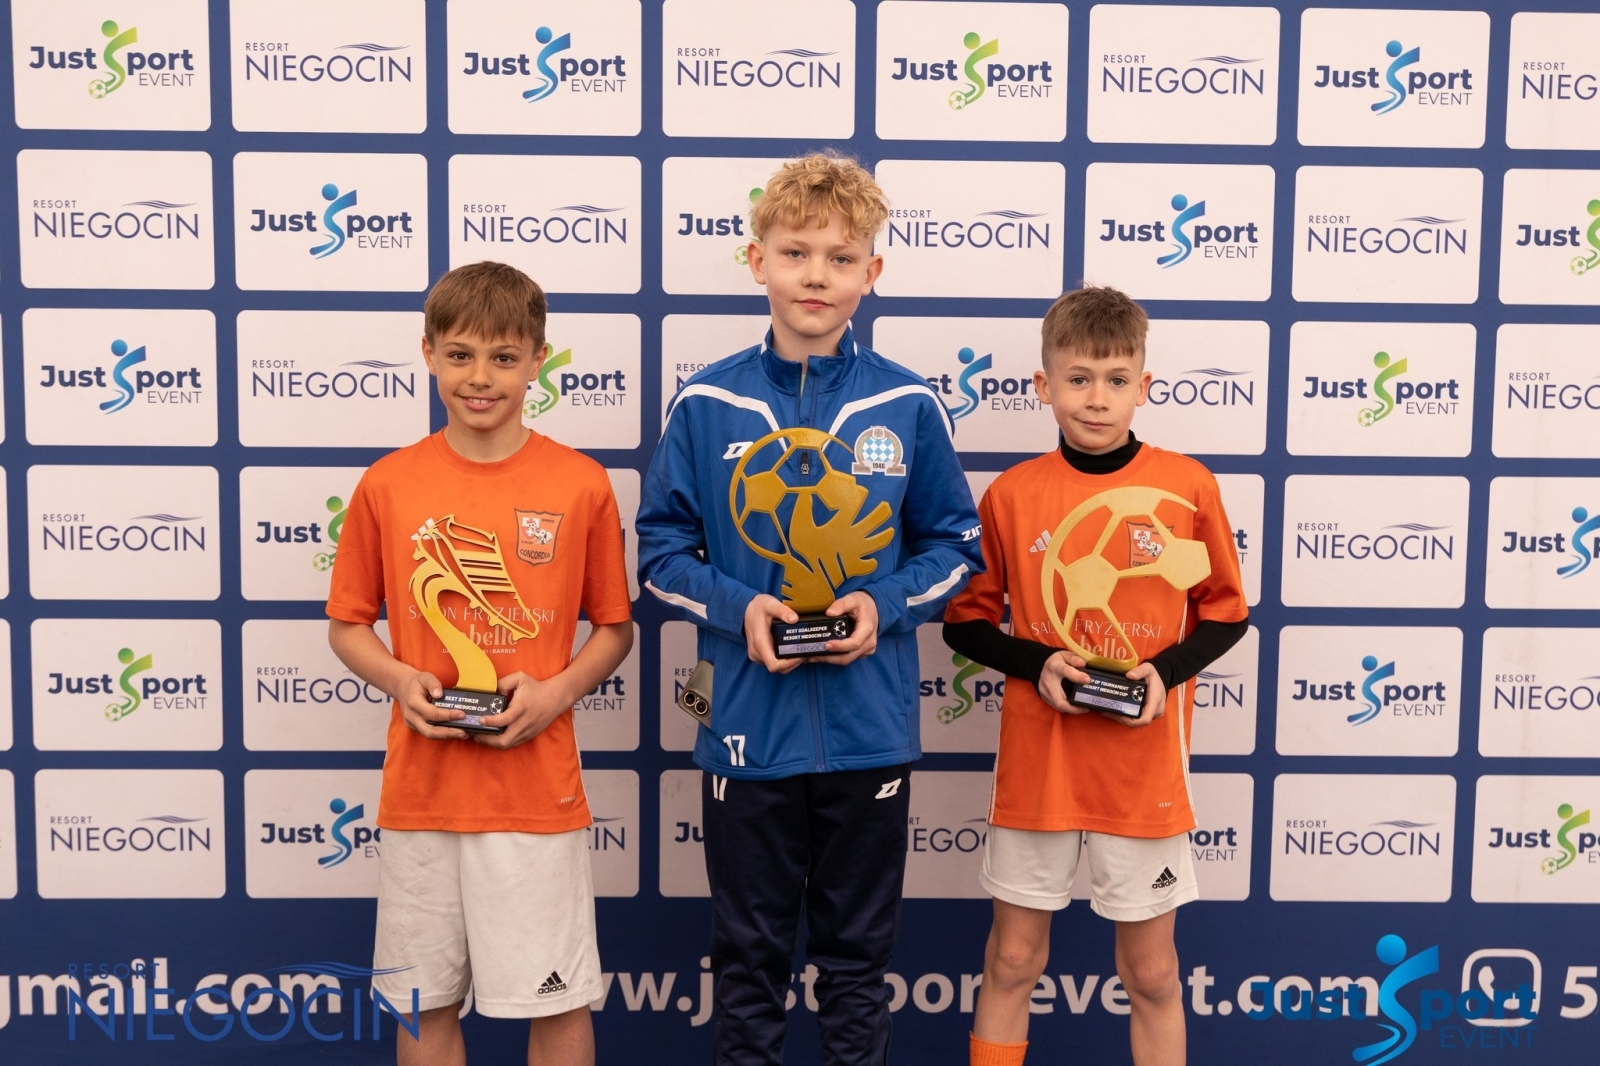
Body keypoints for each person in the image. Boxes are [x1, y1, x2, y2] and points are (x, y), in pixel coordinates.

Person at [637, 151, 984, 1066]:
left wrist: (881, 604)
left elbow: (955, 548)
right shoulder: (708, 400)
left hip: (869, 731)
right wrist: (741, 609)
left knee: (857, 965)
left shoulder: (906, 402)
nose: (816, 276)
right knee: (747, 962)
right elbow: (661, 553)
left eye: (840, 258)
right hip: (744, 728)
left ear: (873, 272)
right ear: (758, 261)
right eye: (796, 254)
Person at [327, 260, 634, 1066]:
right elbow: (348, 626)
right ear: (428, 352)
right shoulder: (388, 484)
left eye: (503, 357)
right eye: (460, 355)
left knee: (555, 1003)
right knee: (423, 1005)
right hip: (421, 795)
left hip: (535, 798)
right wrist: (401, 681)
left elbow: (614, 629)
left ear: (538, 361)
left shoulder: (580, 484)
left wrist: (555, 693)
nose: (480, 377)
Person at [945, 285, 1248, 1066]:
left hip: (1141, 767)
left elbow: (1226, 613)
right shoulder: (1012, 494)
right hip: (1040, 762)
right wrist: (1037, 662)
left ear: (1144, 386)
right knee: (1013, 959)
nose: (1096, 398)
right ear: (1042, 385)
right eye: (1078, 379)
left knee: (1151, 973)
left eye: (1116, 379)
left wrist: (1163, 674)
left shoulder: (1187, 487)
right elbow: (965, 621)